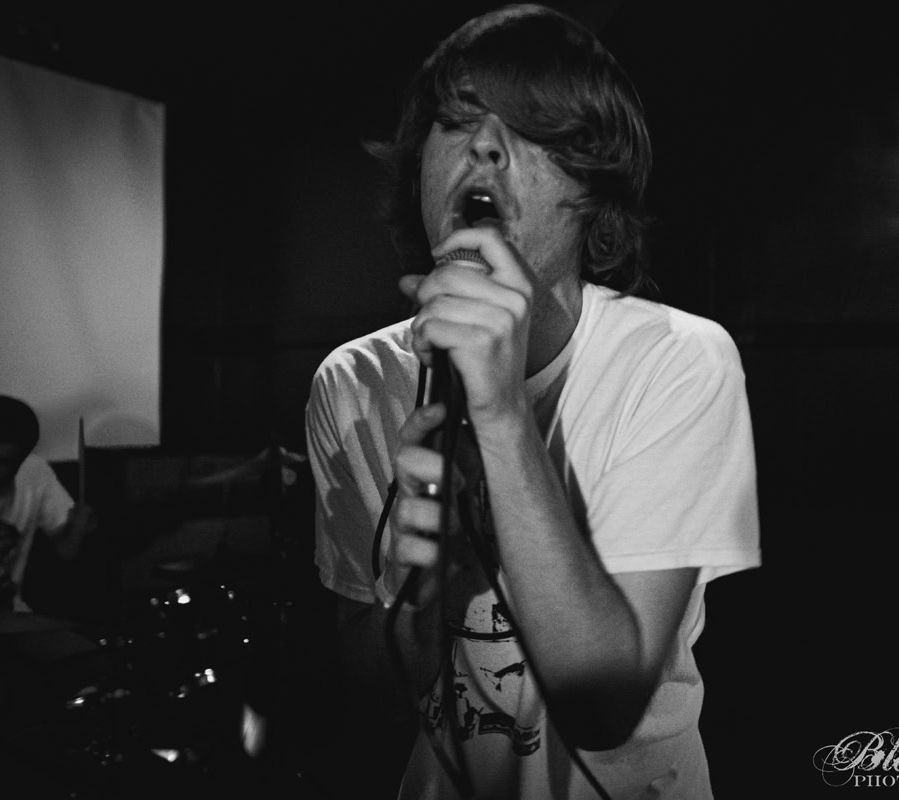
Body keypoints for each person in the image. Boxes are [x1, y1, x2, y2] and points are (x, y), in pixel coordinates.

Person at [306, 5, 761, 799]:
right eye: (457, 121)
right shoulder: (353, 382)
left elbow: (602, 707)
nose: (484, 145)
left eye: (531, 129)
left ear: (593, 191)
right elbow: (365, 697)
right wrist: (418, 601)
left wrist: (502, 416)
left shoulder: (677, 360)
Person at [0, 394, 98, 760]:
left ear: (21, 459)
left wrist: (77, 528)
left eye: (2, 462)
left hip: (3, 616)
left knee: (91, 662)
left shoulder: (35, 474)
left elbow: (66, 550)